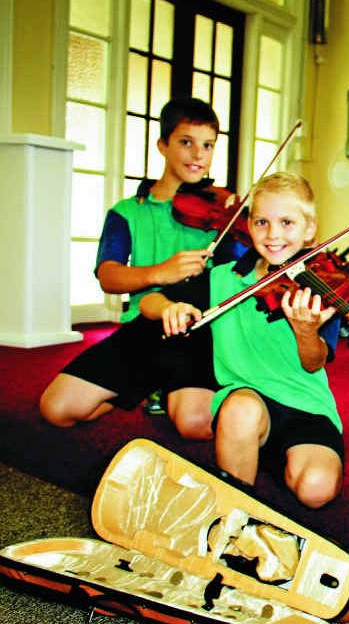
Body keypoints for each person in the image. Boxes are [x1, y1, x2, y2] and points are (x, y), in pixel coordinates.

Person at [141, 172, 345, 509]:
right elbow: (151, 301)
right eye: (262, 221)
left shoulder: (319, 287)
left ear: (310, 230)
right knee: (240, 409)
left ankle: (260, 452)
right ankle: (235, 508)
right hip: (247, 400)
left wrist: (306, 331)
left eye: (287, 222)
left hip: (306, 405)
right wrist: (171, 307)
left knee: (316, 491)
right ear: (248, 226)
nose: (273, 234)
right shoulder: (224, 277)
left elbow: (314, 362)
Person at [39, 97, 237, 440]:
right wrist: (161, 272)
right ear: (162, 145)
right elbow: (108, 276)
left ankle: (166, 387)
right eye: (186, 142)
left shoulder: (223, 211)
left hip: (198, 331)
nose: (198, 155)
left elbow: (239, 274)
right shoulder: (127, 212)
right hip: (143, 329)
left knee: (194, 424)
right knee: (56, 409)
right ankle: (144, 386)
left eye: (208, 145)